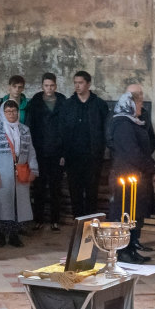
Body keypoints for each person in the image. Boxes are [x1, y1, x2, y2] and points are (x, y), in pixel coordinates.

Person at [107, 91, 155, 264]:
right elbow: (131, 151)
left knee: (134, 214)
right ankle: (122, 252)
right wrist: (150, 166)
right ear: (130, 104)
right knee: (124, 215)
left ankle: (131, 249)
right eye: (139, 102)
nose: (141, 106)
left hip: (136, 176)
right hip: (125, 177)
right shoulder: (122, 124)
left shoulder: (133, 122)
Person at [0, 99, 38, 247]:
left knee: (18, 204)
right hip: (3, 174)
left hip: (20, 172)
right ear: (3, 113)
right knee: (2, 204)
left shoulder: (24, 129)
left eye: (14, 111)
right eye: (8, 111)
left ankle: (14, 235)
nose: (11, 114)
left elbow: (31, 151)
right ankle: (1, 235)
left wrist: (33, 169)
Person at [62, 70, 109, 218]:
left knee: (91, 191)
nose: (77, 86)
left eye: (80, 83)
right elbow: (62, 130)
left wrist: (102, 152)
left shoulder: (99, 105)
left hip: (92, 156)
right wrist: (63, 153)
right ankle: (78, 223)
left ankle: (90, 223)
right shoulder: (68, 105)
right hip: (73, 157)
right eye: (75, 83)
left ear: (88, 84)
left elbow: (105, 129)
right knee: (75, 191)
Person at [25, 73, 66, 231]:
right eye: (46, 85)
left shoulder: (62, 101)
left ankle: (55, 220)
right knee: (39, 187)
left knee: (56, 187)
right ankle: (39, 219)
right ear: (42, 86)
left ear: (55, 86)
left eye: (52, 85)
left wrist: (64, 153)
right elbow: (30, 126)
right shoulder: (35, 102)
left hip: (57, 151)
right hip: (39, 151)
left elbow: (66, 128)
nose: (49, 88)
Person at [125, 83, 155, 252]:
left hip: (142, 169)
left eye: (140, 94)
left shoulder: (143, 114)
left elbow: (150, 138)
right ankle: (126, 243)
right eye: (135, 95)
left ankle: (136, 238)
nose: (140, 98)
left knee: (140, 207)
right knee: (127, 208)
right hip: (128, 169)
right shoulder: (121, 118)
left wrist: (146, 156)